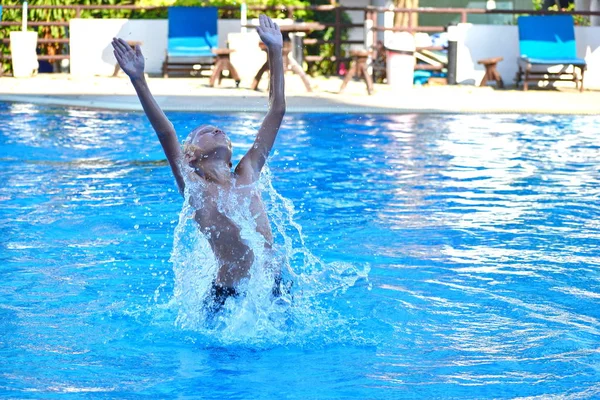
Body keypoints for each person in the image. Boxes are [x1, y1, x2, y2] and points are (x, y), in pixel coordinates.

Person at [111, 14, 286, 313]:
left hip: (275, 286)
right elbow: (165, 132)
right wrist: (138, 79)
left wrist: (275, 52)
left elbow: (276, 111)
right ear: (190, 153)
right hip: (227, 297)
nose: (217, 130)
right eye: (205, 132)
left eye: (220, 130)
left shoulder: (247, 171)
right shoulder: (195, 188)